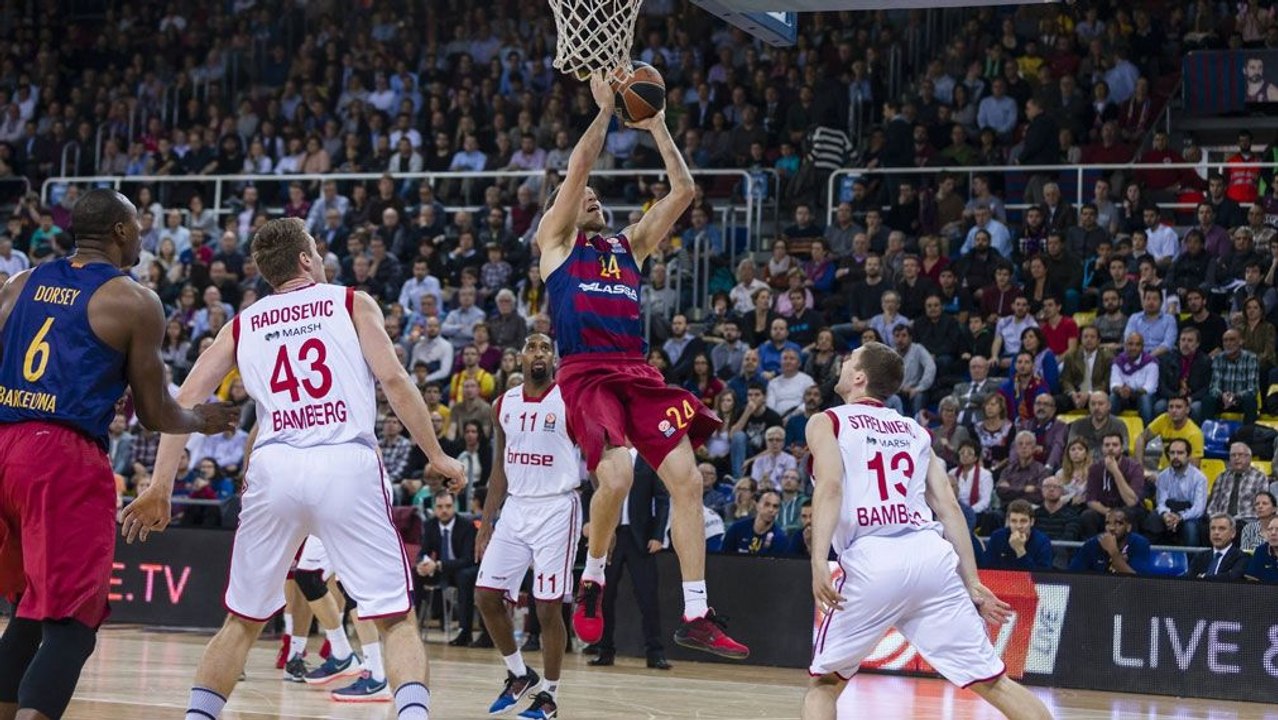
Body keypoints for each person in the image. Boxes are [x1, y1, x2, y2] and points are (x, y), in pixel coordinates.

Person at [131, 217, 466, 720]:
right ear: (307, 259)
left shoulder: (242, 323)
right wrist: (437, 454)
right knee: (395, 619)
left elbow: (182, 403)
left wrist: (160, 485)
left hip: (276, 466)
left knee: (241, 622)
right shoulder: (351, 302)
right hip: (344, 460)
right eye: (317, 249)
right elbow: (395, 381)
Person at [0, 189, 238, 720]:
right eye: (138, 225)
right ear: (121, 232)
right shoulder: (133, 300)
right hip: (60, 455)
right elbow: (155, 413)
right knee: (73, 622)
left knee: (30, 609)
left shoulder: (20, 283)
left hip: (4, 445)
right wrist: (200, 418)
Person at [535, 75, 747, 658]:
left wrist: (657, 127)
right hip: (584, 373)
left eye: (600, 195)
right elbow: (578, 166)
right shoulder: (556, 242)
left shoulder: (627, 246)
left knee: (689, 480)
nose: (594, 196)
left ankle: (697, 611)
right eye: (586, 195)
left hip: (635, 371)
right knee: (619, 477)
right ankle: (594, 576)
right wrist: (603, 114)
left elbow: (683, 192)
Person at [804, 342, 1051, 720]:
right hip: (931, 558)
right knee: (994, 682)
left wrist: (819, 559)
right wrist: (971, 580)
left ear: (859, 377)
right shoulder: (914, 431)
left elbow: (830, 487)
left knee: (824, 685)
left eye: (850, 358)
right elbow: (949, 506)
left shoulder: (829, 421)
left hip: (873, 557)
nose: (843, 361)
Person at [474, 334, 580, 720]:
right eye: (532, 348)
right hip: (516, 509)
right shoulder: (503, 404)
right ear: (519, 357)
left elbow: (598, 456)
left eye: (546, 348)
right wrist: (487, 523)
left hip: (557, 507)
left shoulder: (569, 399)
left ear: (553, 358)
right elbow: (499, 468)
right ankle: (519, 673)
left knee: (547, 607)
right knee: (486, 596)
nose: (539, 353)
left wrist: (604, 523)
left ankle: (549, 695)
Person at [588, 453, 672, 670]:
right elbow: (591, 490)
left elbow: (662, 498)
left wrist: (658, 534)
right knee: (604, 596)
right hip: (609, 535)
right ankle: (604, 650)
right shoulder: (607, 457)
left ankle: (655, 652)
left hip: (640, 537)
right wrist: (591, 525)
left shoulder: (648, 458)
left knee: (648, 597)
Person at [1143, 439, 1207, 546]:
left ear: (1188, 455)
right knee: (1152, 520)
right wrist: (1165, 514)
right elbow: (1161, 502)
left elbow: (1198, 509)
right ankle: (1152, 559)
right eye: (1172, 453)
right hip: (1169, 510)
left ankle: (1192, 561)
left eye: (1180, 453)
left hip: (1189, 514)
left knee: (1190, 528)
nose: (1175, 456)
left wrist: (1180, 517)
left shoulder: (1199, 478)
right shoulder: (1162, 476)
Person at [1081, 432, 1146, 537]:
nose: (1110, 448)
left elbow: (1131, 501)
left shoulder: (1134, 467)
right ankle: (1093, 550)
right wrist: (1109, 512)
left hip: (1129, 511)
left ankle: (1129, 551)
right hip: (1105, 511)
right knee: (1088, 515)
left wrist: (1115, 471)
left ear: (1122, 448)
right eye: (1107, 445)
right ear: (1102, 448)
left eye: (1115, 445)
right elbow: (1091, 500)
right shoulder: (1095, 468)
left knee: (1129, 514)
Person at [1069, 509, 1151, 574]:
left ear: (1128, 527)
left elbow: (1139, 582)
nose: (1111, 528)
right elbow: (1073, 574)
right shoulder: (1093, 543)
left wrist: (1113, 552)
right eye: (1108, 523)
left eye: (1118, 523)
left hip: (1128, 592)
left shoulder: (1139, 543)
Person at [982, 500, 1054, 570]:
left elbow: (1043, 576)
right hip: (1001, 580)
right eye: (1014, 521)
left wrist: (1020, 550)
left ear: (1032, 522)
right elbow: (987, 567)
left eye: (1023, 521)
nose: (1018, 526)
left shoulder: (1042, 542)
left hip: (1029, 582)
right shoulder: (997, 537)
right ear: (1008, 521)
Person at [722, 489, 788, 556]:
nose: (771, 510)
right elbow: (723, 557)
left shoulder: (780, 538)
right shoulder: (737, 529)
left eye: (775, 506)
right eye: (766, 504)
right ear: (757, 505)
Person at [1187, 514, 1247, 580]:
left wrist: (1203, 577)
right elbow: (1189, 579)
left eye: (1222, 529)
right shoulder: (1200, 556)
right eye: (1213, 528)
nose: (1216, 532)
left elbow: (1232, 578)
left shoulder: (1241, 557)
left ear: (1233, 533)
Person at [1243, 516, 1278, 583]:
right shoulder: (1261, 550)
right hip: (1265, 592)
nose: (1273, 533)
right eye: (1270, 529)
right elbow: (1252, 581)